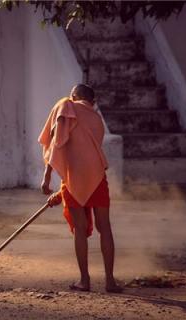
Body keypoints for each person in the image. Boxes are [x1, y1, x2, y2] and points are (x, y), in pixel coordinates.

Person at [38, 84, 123, 293]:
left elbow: (58, 142)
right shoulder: (96, 118)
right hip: (97, 175)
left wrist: (47, 175)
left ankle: (84, 281)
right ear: (92, 102)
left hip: (74, 176)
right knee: (105, 227)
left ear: (74, 96)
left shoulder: (66, 106)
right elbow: (85, 151)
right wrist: (60, 193)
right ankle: (110, 281)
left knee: (79, 229)